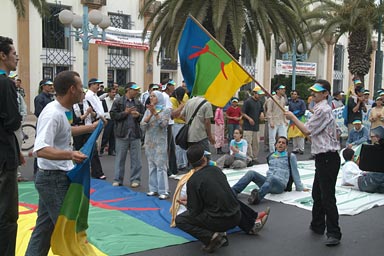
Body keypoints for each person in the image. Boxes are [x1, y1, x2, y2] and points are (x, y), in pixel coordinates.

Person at [25, 70, 99, 255]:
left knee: (44, 230)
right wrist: (71, 155)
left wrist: (90, 127)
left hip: (55, 177)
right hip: (53, 180)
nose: (84, 91)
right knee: (69, 231)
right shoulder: (52, 114)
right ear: (72, 89)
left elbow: (66, 132)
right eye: (81, 87)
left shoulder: (63, 111)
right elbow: (40, 149)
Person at [174, 144, 269, 253]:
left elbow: (195, 210)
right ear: (204, 159)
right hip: (236, 215)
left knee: (180, 220)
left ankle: (211, 237)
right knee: (227, 198)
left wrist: (188, 202)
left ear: (190, 163)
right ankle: (250, 224)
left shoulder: (192, 181)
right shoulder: (216, 170)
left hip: (218, 221)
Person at [285, 79, 342, 247]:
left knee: (327, 197)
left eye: (318, 91)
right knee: (317, 194)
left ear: (326, 94)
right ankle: (317, 225)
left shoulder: (323, 110)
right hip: (322, 157)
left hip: (327, 158)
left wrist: (292, 117)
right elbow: (318, 133)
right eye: (313, 90)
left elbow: (307, 130)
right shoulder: (319, 109)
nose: (314, 93)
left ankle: (334, 233)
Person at [232, 136, 308, 204]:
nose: (281, 144)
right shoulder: (271, 156)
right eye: (279, 142)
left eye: (283, 143)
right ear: (276, 145)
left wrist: (300, 188)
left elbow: (295, 172)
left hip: (280, 185)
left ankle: (258, 197)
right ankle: (233, 191)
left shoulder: (290, 156)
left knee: (272, 178)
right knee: (251, 173)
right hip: (267, 182)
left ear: (286, 146)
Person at [0, 35, 22, 256]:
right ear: (2, 55)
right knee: (7, 216)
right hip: (4, 159)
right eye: (14, 54)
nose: (17, 58)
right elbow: (13, 121)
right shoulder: (6, 83)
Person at [110, 82, 145, 187]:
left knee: (136, 160)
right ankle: (118, 179)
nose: (136, 92)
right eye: (135, 89)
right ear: (128, 89)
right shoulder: (118, 101)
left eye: (137, 90)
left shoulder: (138, 103)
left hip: (135, 134)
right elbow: (113, 115)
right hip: (122, 134)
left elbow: (144, 117)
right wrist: (125, 113)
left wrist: (138, 115)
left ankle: (135, 179)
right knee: (120, 158)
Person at [141, 91, 171, 199]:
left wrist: (155, 113)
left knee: (161, 166)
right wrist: (148, 117)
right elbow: (142, 126)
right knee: (151, 165)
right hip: (149, 142)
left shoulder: (166, 110)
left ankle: (163, 190)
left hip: (160, 142)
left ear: (159, 98)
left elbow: (164, 124)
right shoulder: (147, 111)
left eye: (154, 96)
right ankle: (153, 189)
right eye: (150, 96)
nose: (151, 98)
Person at [72, 89, 106, 180]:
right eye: (82, 93)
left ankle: (97, 172)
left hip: (88, 130)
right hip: (78, 130)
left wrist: (91, 113)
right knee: (80, 151)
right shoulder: (72, 105)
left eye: (84, 93)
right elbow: (73, 120)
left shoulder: (87, 102)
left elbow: (95, 115)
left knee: (93, 150)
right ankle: (79, 172)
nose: (83, 95)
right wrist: (86, 114)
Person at [242, 88, 265, 166]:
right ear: (254, 93)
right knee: (248, 142)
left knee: (256, 143)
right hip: (248, 126)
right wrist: (249, 118)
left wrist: (262, 114)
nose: (259, 96)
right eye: (258, 94)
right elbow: (243, 113)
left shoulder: (260, 102)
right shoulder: (248, 102)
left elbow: (261, 110)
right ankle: (250, 158)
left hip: (256, 126)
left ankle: (255, 158)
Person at [170, 86, 189, 172]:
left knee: (185, 145)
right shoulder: (172, 100)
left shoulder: (185, 97)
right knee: (178, 145)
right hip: (176, 123)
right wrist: (181, 106)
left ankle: (186, 163)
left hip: (184, 124)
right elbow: (174, 114)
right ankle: (179, 164)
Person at [266, 84, 288, 153]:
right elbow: (269, 111)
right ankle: (272, 153)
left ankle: (283, 152)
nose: (283, 90)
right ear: (277, 90)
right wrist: (271, 121)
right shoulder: (271, 99)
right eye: (281, 89)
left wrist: (285, 120)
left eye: (284, 89)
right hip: (274, 122)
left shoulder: (283, 99)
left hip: (281, 121)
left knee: (284, 137)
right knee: (272, 139)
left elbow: (283, 110)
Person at [288, 90, 306, 154]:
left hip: (300, 119)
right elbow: (289, 110)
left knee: (300, 135)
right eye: (292, 94)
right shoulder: (290, 103)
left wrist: (295, 115)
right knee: (294, 135)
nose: (293, 95)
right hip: (293, 121)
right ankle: (295, 148)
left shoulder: (301, 102)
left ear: (298, 95)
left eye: (295, 94)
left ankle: (301, 149)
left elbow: (303, 110)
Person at [100, 87, 117, 156]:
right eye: (112, 92)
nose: (114, 94)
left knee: (113, 136)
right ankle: (101, 149)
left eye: (115, 92)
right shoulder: (104, 101)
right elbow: (103, 111)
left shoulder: (116, 101)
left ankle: (111, 150)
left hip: (114, 119)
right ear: (109, 93)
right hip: (107, 119)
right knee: (106, 135)